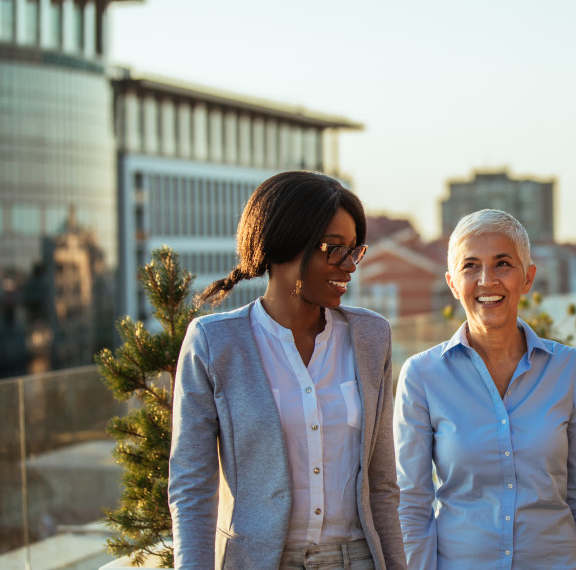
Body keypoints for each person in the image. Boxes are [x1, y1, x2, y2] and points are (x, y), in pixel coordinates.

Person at [168, 171, 406, 570]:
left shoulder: (371, 337)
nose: (349, 265)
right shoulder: (215, 343)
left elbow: (382, 484)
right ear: (282, 242)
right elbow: (192, 488)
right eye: (334, 248)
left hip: (358, 559)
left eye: (354, 250)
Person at [393, 209, 576, 569]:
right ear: (452, 283)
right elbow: (411, 504)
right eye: (471, 266)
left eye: (502, 264)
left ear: (527, 278)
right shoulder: (422, 376)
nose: (487, 280)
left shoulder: (572, 370)